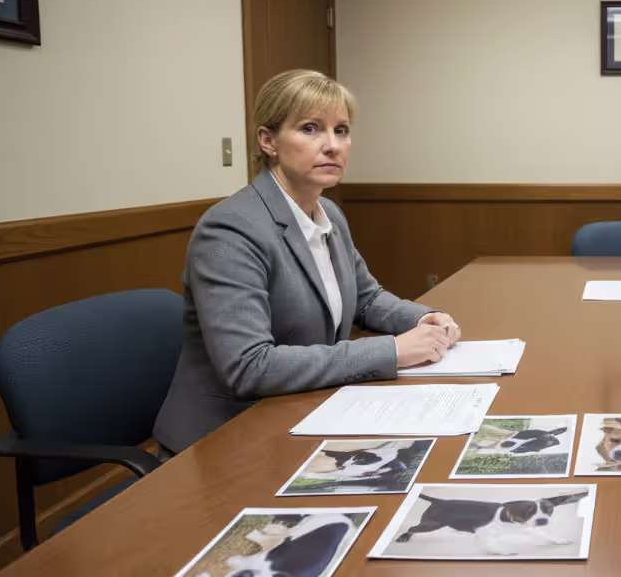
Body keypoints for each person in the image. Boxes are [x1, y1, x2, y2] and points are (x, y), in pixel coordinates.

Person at [154, 70, 461, 454]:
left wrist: (423, 318)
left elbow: (366, 298)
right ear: (268, 141)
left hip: (304, 413)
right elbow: (250, 366)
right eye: (311, 129)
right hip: (226, 443)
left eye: (342, 130)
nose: (332, 145)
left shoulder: (327, 211)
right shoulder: (230, 228)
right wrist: (392, 352)